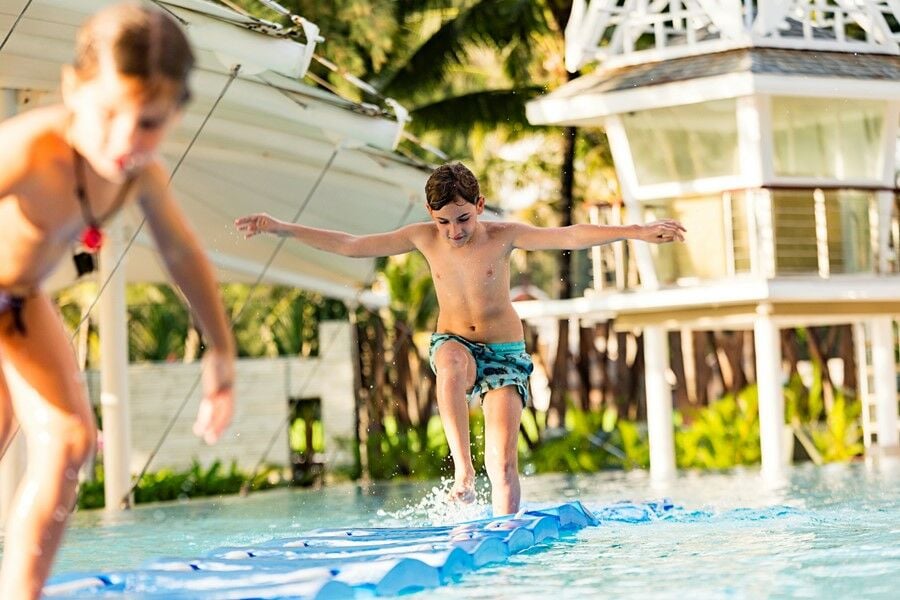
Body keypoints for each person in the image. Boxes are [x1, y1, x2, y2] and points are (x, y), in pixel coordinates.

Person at [235, 162, 684, 516]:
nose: (455, 231)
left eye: (464, 218)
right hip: (454, 341)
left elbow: (570, 234)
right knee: (449, 367)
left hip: (505, 353)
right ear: (431, 216)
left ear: (481, 205)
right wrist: (280, 227)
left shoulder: (506, 236)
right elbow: (352, 244)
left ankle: (504, 530)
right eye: (445, 221)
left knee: (504, 462)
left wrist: (637, 232)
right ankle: (464, 474)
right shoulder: (422, 238)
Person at [0, 4, 236, 598]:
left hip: (19, 303)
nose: (124, 140)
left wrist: (222, 354)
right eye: (108, 113)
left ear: (176, 114)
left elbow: (183, 256)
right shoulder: (32, 148)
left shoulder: (140, 174)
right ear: (71, 87)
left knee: (70, 443)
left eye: (149, 123)